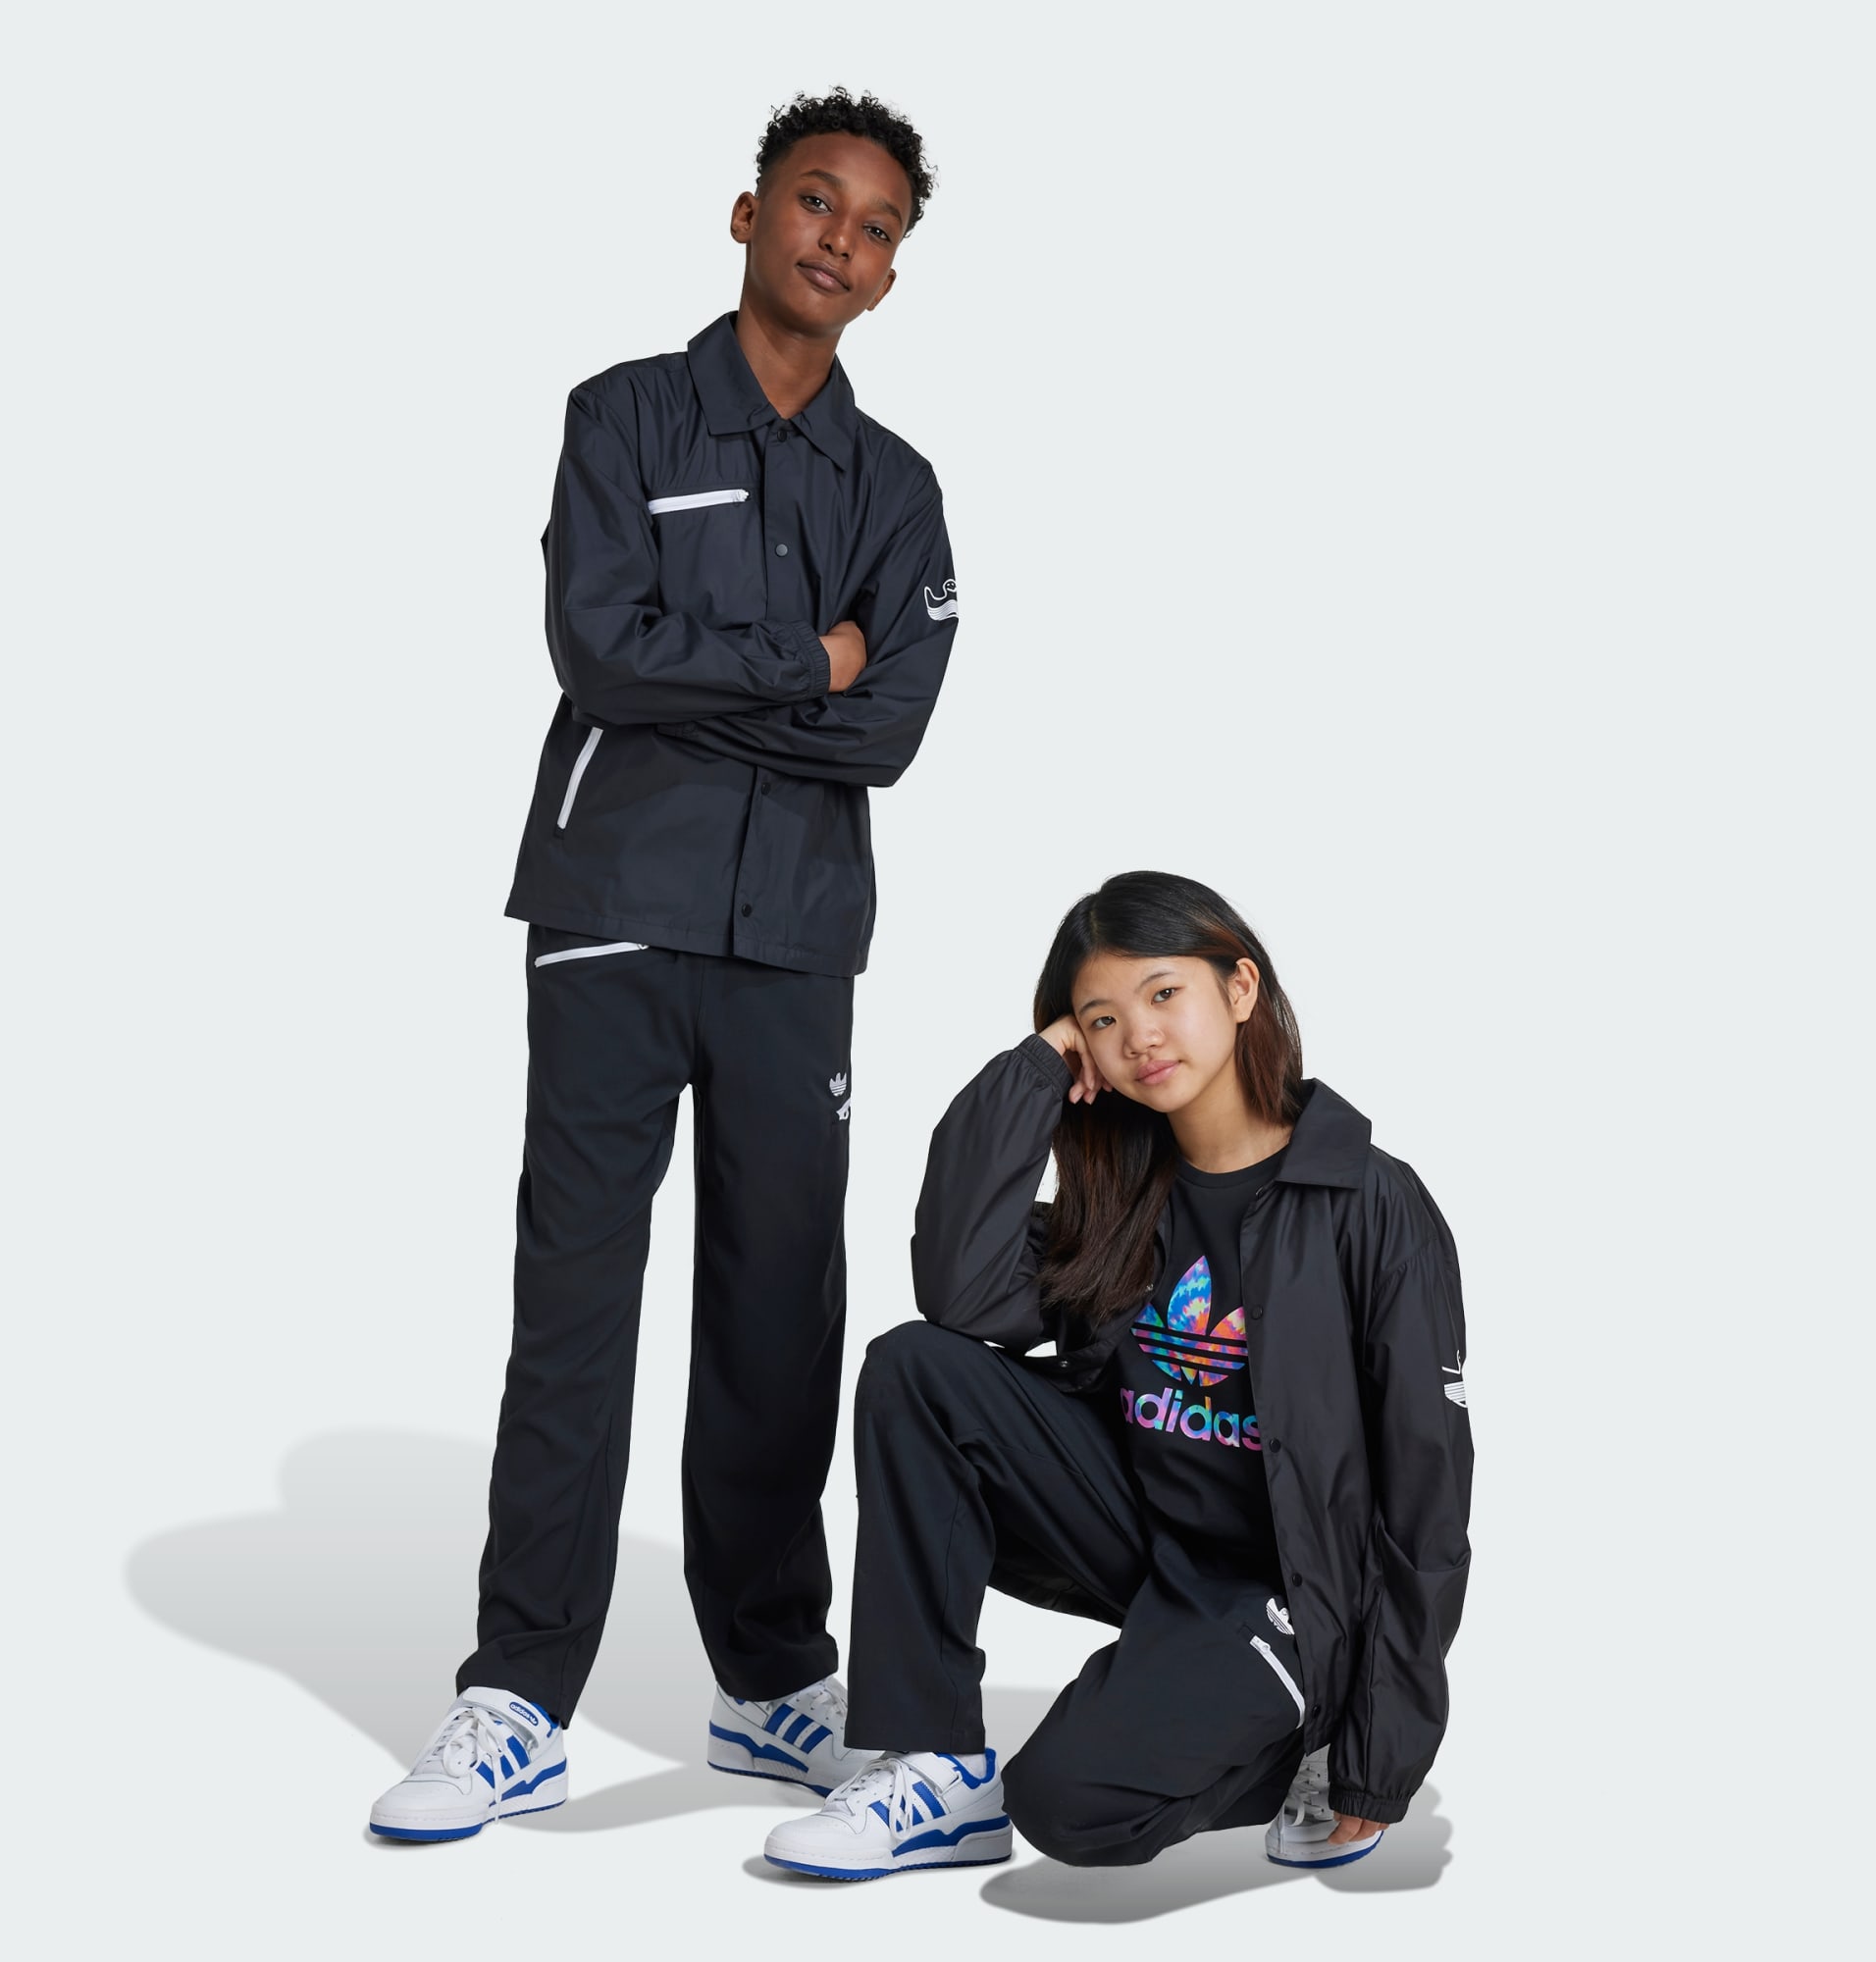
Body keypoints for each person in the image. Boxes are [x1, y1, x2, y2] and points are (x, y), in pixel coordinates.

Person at [370, 88, 958, 1843]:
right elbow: (600, 656)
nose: (840, 240)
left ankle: (772, 1684)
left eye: (875, 227)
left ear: (892, 274)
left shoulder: (899, 491)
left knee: (780, 1308)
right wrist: (808, 660)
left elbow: (890, 731)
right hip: (615, 910)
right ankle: (516, 1698)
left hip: (796, 938)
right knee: (576, 1302)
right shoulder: (621, 415)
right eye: (815, 202)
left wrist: (729, 676)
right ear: (749, 213)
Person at [762, 872, 1473, 1880]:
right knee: (916, 1370)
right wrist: (1034, 1070)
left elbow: (1426, 1493)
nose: (1138, 1034)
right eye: (1100, 1018)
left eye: (1163, 992)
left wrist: (1376, 1753)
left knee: (1067, 1804)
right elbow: (959, 1293)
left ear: (1240, 987)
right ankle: (934, 1761)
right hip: (1146, 1542)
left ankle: (1304, 1731)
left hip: (1290, 1592)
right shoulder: (1121, 1195)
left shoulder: (1369, 1202)